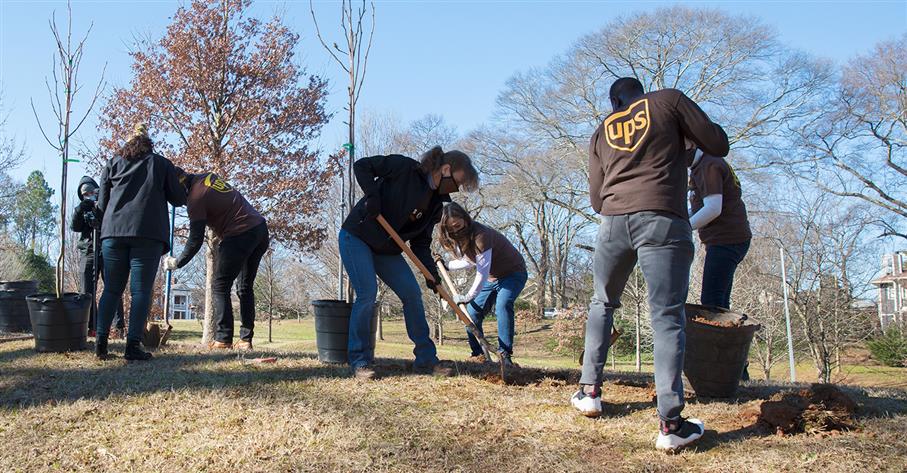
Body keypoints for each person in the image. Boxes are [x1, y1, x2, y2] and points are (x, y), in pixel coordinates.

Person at [576, 77, 729, 452]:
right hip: (662, 218)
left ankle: (589, 391)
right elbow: (718, 144)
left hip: (612, 223)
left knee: (602, 302)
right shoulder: (669, 101)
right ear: (641, 92)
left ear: (615, 101)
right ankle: (671, 424)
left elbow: (596, 200)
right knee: (666, 316)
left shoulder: (601, 131)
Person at [340, 146, 480, 380]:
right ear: (445, 169)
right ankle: (359, 361)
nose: (456, 189)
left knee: (412, 294)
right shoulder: (404, 168)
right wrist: (373, 196)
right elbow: (362, 165)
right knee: (367, 293)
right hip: (357, 237)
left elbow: (421, 244)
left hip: (387, 250)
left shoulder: (436, 206)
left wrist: (430, 273)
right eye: (458, 182)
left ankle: (426, 360)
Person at [95, 123, 187, 361]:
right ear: (149, 143)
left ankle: (101, 344)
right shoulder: (161, 164)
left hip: (113, 232)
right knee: (140, 292)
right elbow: (178, 199)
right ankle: (132, 347)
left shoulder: (113, 162)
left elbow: (102, 204)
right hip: (147, 234)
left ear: (128, 143)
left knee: (112, 289)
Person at [163, 171, 269, 351]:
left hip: (239, 233)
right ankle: (245, 340)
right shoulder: (207, 177)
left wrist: (177, 262)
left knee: (220, 286)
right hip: (259, 229)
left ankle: (223, 339)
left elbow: (195, 241)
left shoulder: (195, 198)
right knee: (244, 288)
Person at [687, 145, 753, 379]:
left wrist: (682, 227)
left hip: (727, 241)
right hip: (726, 241)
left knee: (713, 306)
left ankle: (732, 370)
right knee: (719, 305)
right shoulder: (701, 167)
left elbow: (714, 208)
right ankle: (734, 370)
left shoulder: (709, 165)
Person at [437, 203, 527, 367]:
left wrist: (468, 296)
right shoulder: (460, 239)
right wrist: (448, 266)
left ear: (465, 219)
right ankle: (478, 355)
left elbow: (481, 271)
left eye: (457, 225)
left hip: (513, 274)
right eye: (451, 229)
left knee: (503, 305)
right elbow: (470, 261)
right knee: (471, 315)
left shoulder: (481, 235)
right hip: (492, 279)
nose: (456, 231)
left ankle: (505, 355)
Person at [70, 176, 125, 339]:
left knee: (113, 287)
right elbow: (75, 227)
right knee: (86, 290)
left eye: (92, 192)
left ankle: (118, 327)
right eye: (85, 194)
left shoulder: (107, 203)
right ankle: (90, 326)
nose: (89, 196)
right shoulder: (82, 208)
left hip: (108, 249)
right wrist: (81, 209)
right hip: (88, 250)